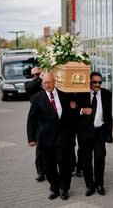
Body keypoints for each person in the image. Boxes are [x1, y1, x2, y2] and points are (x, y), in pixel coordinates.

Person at [26, 72, 78, 200]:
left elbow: (72, 113)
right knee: (49, 166)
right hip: (45, 138)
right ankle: (54, 188)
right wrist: (31, 138)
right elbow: (31, 120)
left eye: (49, 82)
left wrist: (75, 107)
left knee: (64, 164)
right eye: (44, 83)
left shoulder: (65, 95)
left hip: (62, 137)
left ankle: (64, 189)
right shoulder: (37, 98)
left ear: (54, 82)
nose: (47, 85)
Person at [76, 72, 113, 196]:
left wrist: (109, 133)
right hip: (84, 133)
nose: (97, 84)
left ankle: (99, 184)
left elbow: (108, 115)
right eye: (95, 82)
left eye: (100, 82)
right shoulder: (81, 94)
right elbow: (72, 109)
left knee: (99, 158)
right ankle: (89, 186)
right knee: (86, 160)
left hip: (100, 132)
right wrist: (82, 110)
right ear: (89, 82)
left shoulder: (107, 94)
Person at [25, 67, 45, 182]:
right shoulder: (31, 86)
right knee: (40, 149)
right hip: (39, 122)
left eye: (37, 74)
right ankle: (40, 172)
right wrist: (40, 77)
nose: (35, 76)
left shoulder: (47, 83)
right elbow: (30, 87)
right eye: (33, 75)